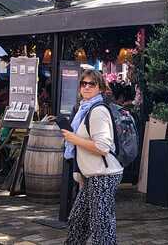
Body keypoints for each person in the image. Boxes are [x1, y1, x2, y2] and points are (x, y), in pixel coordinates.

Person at [62, 69, 123, 245]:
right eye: (84, 83)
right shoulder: (83, 109)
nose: (87, 87)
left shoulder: (98, 111)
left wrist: (75, 139)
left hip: (104, 175)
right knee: (77, 222)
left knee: (101, 227)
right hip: (92, 175)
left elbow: (103, 147)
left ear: (100, 88)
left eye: (92, 84)